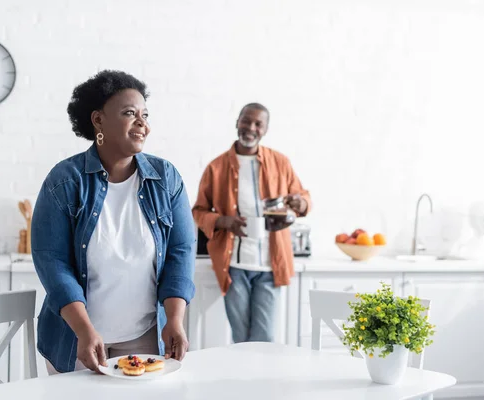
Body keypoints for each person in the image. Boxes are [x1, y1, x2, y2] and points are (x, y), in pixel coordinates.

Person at [31, 70, 196, 374]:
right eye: (129, 113)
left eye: (145, 115)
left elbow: (181, 251)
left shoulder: (166, 178)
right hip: (76, 339)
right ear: (98, 120)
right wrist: (84, 329)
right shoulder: (65, 181)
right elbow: (52, 261)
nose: (142, 123)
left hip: (145, 338)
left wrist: (174, 320)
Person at [192, 103, 311, 343]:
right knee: (240, 337)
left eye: (258, 124)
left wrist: (300, 204)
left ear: (265, 129)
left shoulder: (281, 162)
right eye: (246, 121)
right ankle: (241, 381)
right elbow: (198, 211)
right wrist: (224, 221)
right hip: (233, 266)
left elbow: (303, 197)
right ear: (237, 122)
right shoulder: (216, 168)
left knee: (264, 338)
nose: (251, 128)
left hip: (270, 265)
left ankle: (261, 380)